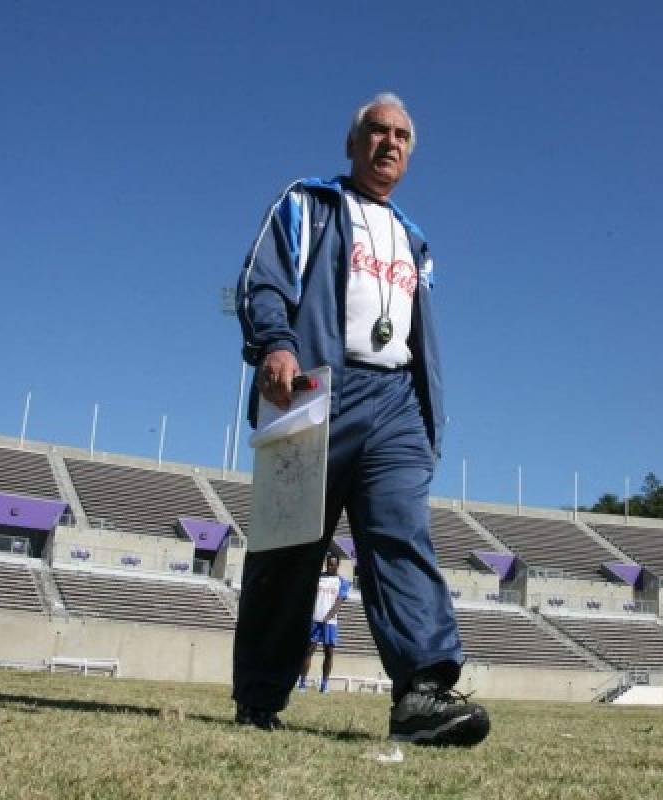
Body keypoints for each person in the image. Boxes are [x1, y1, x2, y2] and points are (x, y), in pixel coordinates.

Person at [232, 92, 489, 746]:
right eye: (377, 131)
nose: (390, 143)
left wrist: (430, 418)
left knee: (402, 533)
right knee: (289, 550)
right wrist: (278, 343)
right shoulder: (308, 203)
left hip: (396, 399)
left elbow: (419, 334)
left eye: (403, 135)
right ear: (353, 144)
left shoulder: (415, 239)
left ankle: (422, 693)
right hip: (318, 389)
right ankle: (259, 697)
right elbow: (262, 281)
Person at [299, 554, 351, 693]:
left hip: (330, 622)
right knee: (308, 651)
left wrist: (329, 616)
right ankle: (302, 683)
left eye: (332, 564)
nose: (329, 566)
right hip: (315, 620)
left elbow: (339, 602)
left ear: (337, 565)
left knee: (329, 653)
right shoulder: (318, 578)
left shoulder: (343, 582)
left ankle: (324, 684)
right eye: (328, 564)